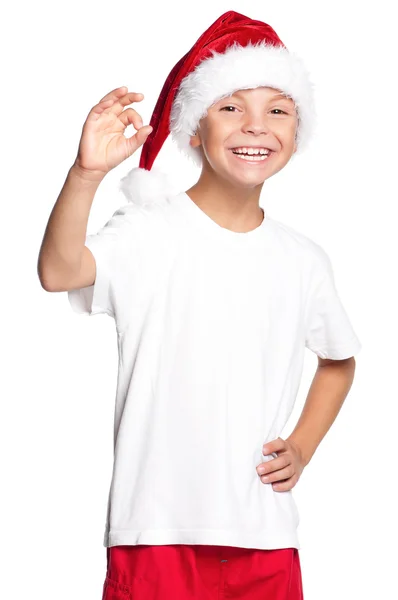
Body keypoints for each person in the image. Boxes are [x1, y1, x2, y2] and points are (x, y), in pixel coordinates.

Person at [37, 10, 362, 600]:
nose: (255, 127)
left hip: (266, 538)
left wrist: (303, 447)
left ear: (297, 131)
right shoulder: (147, 232)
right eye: (231, 107)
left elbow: (339, 361)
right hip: (154, 531)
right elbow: (59, 272)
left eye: (278, 110)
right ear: (194, 127)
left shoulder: (303, 259)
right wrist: (85, 175)